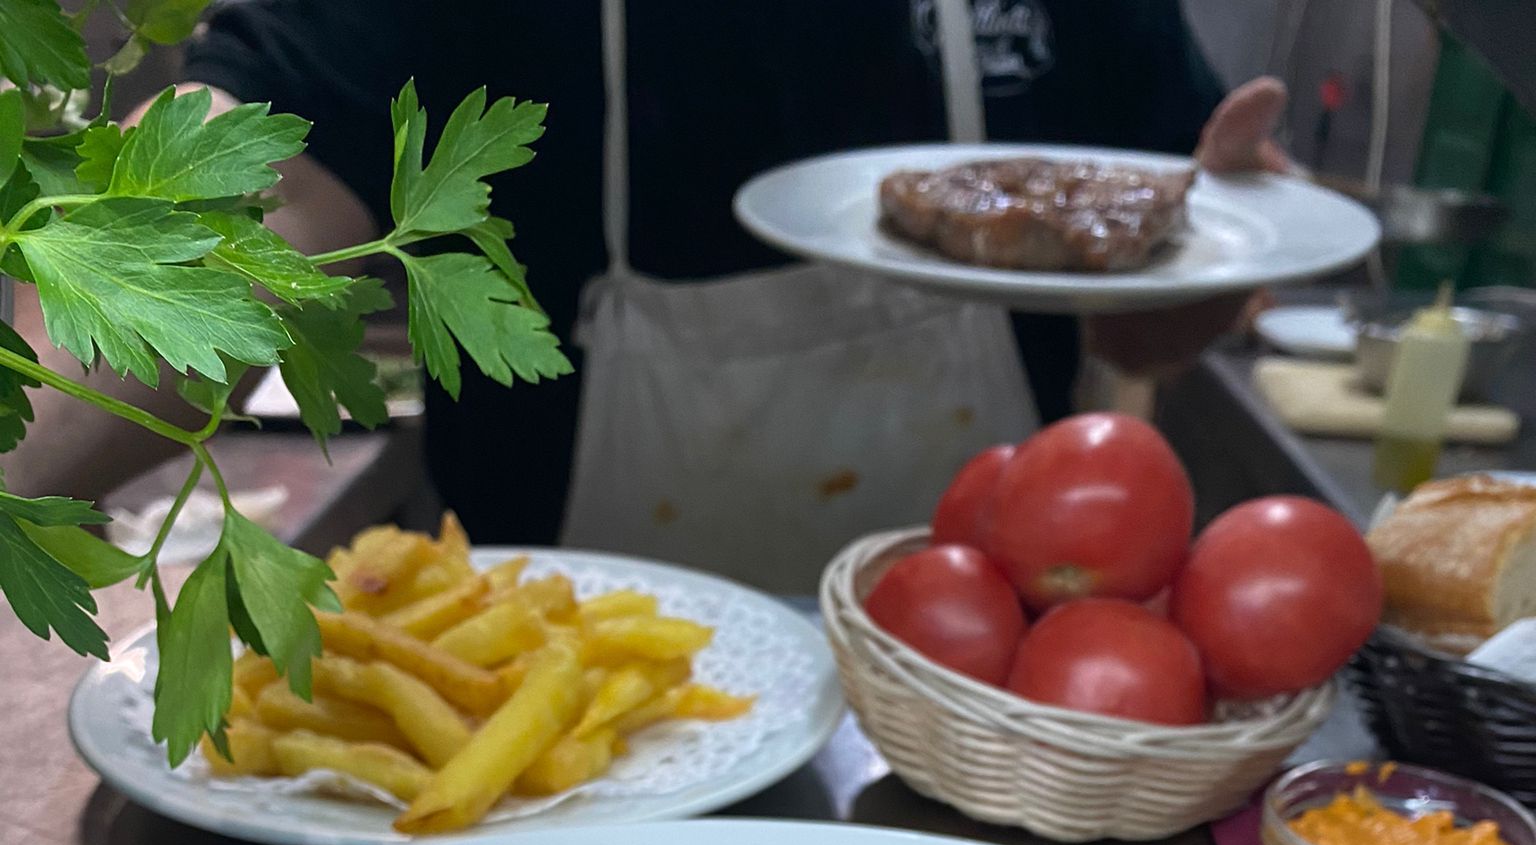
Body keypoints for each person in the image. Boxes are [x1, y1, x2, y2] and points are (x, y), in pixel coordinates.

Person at [9, 0, 1290, 588]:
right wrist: (17, 467)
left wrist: (1232, 241)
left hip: (965, 694)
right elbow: (252, 205)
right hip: (549, 723)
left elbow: (1147, 313)